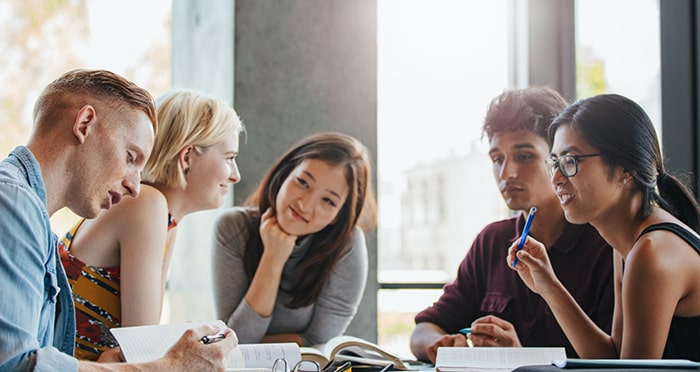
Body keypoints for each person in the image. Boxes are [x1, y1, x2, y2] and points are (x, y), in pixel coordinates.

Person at [0, 69, 237, 371]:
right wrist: (169, 365)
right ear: (84, 124)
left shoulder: (34, 219)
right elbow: (17, 365)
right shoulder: (13, 202)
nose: (135, 187)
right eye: (130, 156)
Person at [410, 87, 614, 363]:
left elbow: (615, 361)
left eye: (524, 156)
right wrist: (441, 345)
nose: (507, 173)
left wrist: (521, 359)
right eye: (497, 159)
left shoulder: (606, 245)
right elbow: (423, 329)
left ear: (561, 156)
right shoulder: (492, 241)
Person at [507, 93, 700, 360]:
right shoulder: (631, 246)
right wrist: (548, 285)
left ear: (625, 168)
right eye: (554, 163)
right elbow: (613, 357)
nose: (556, 179)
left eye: (571, 161)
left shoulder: (651, 252)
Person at [58, 89, 244, 360]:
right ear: (188, 157)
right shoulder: (145, 203)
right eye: (229, 158)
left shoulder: (166, 217)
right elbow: (140, 347)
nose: (236, 175)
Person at [213, 132, 377, 346]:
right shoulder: (233, 228)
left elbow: (318, 341)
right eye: (303, 182)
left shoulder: (346, 244)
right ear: (284, 174)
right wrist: (273, 256)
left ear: (339, 216)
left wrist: (252, 342)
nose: (305, 205)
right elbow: (234, 340)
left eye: (327, 200)